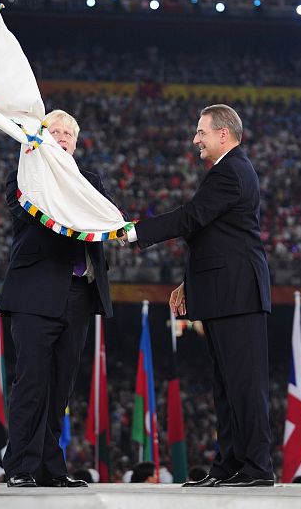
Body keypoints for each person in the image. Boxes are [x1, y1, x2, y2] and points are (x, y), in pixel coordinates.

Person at [123, 104, 273, 488]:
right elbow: (211, 237)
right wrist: (188, 283)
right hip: (227, 293)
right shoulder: (227, 171)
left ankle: (257, 468)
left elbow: (192, 217)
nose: (195, 140)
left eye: (201, 132)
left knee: (243, 383)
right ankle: (229, 466)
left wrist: (139, 231)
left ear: (223, 133)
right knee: (225, 385)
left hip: (238, 295)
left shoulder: (231, 171)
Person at [0, 109, 126, 488]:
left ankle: (51, 469)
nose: (64, 137)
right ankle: (20, 466)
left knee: (60, 389)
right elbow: (35, 216)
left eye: (69, 133)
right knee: (32, 382)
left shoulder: (90, 181)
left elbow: (106, 222)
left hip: (78, 295)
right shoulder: (24, 177)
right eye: (56, 131)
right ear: (42, 138)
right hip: (36, 294)